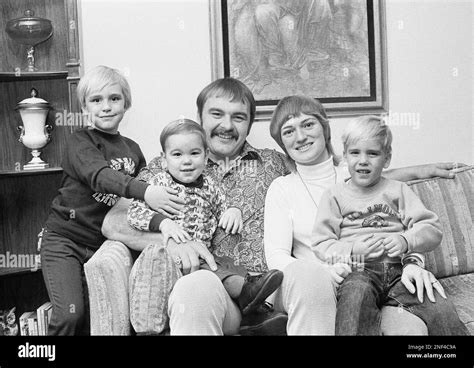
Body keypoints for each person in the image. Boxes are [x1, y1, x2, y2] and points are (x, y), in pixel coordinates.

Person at [101, 80, 462, 335]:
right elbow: (114, 221)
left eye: (239, 117)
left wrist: (422, 170)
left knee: (309, 273)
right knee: (192, 290)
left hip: (276, 288)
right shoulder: (169, 165)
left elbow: (350, 176)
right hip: (215, 282)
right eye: (217, 114)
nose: (227, 125)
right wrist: (170, 240)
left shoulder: (274, 162)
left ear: (249, 124)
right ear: (200, 117)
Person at [264, 95, 457, 335]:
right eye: (289, 131)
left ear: (325, 128)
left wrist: (412, 262)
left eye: (308, 124)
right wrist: (322, 273)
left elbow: (394, 209)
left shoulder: (355, 170)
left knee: (420, 322)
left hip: (384, 278)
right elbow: (276, 256)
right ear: (282, 143)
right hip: (323, 290)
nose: (301, 136)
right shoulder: (282, 188)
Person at [39, 65, 168, 335]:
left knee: (93, 322)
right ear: (85, 106)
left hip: (102, 246)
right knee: (69, 316)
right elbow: (99, 176)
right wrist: (145, 191)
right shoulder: (79, 142)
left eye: (114, 98)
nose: (106, 107)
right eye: (96, 100)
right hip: (65, 241)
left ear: (126, 104)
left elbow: (137, 205)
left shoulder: (132, 149)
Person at [311, 115, 469, 335]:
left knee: (438, 303)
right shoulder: (334, 196)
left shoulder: (398, 190)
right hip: (358, 272)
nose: (363, 160)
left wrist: (405, 240)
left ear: (387, 158)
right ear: (345, 156)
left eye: (373, 153)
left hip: (401, 272)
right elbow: (321, 243)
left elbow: (432, 229)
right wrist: (352, 250)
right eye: (355, 152)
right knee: (354, 303)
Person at [126, 118, 284, 333]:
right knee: (215, 271)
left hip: (202, 256)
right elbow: (134, 213)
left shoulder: (210, 186)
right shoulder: (160, 184)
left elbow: (222, 207)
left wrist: (233, 211)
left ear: (206, 155)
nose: (187, 161)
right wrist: (163, 224)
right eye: (177, 154)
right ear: (164, 160)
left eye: (194, 153)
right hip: (171, 256)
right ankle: (251, 300)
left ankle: (252, 304)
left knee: (225, 267)